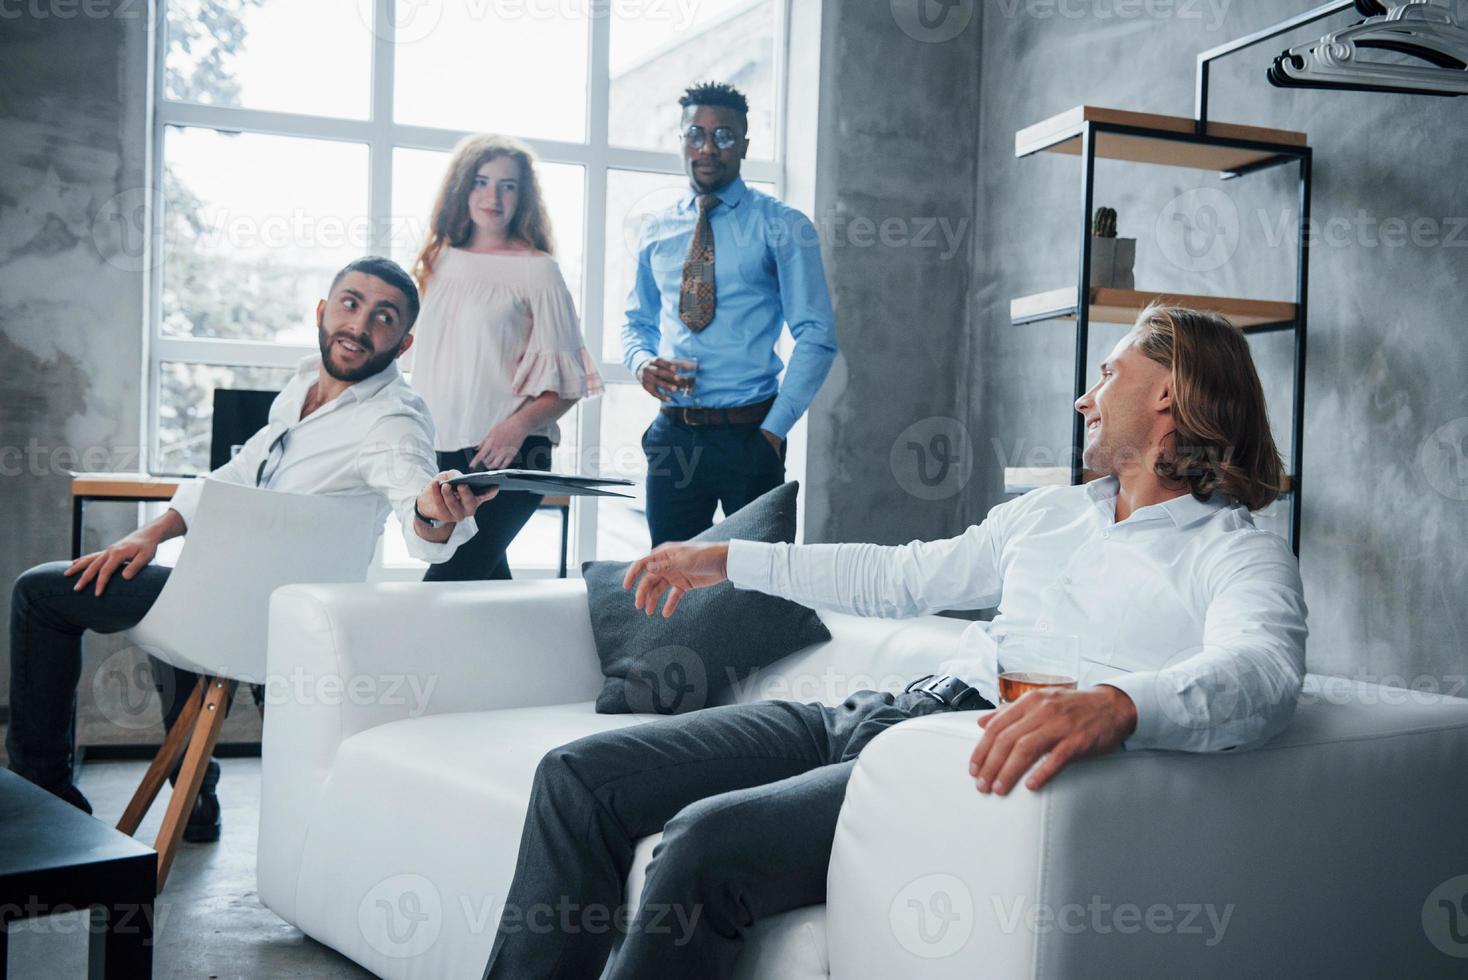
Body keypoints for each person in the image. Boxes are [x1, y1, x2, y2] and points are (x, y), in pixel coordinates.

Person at [483, 305, 1309, 978]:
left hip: (951, 760)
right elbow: (903, 576)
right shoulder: (1052, 513)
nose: (1086, 399)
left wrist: (1120, 704)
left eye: (1109, 374)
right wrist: (727, 559)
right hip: (877, 716)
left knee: (703, 842)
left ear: (1169, 392)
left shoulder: (1233, 548)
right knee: (577, 777)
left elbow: (1263, 672)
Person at [7, 256, 496, 836]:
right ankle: (195, 802)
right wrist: (152, 531)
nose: (360, 325)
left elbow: (414, 495)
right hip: (230, 599)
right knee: (184, 592)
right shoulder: (301, 387)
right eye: (350, 303)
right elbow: (237, 472)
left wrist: (432, 512)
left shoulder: (393, 419)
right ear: (323, 310)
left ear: (404, 341)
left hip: (273, 619)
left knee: (39, 593)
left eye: (383, 316)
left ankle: (46, 794)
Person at [622, 82, 837, 546]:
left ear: (744, 144)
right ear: (681, 141)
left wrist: (773, 435)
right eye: (695, 134)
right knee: (670, 591)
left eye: (723, 136)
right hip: (673, 437)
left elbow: (817, 335)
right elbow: (635, 323)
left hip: (750, 439)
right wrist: (642, 363)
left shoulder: (782, 225)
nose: (707, 147)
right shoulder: (656, 230)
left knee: (758, 594)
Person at [410, 133, 602, 581]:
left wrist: (515, 428)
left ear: (524, 196)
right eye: (481, 181)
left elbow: (569, 383)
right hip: (439, 455)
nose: (493, 195)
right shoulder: (437, 259)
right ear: (462, 186)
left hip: (507, 459)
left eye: (508, 185)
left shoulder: (538, 270)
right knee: (482, 593)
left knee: (444, 587)